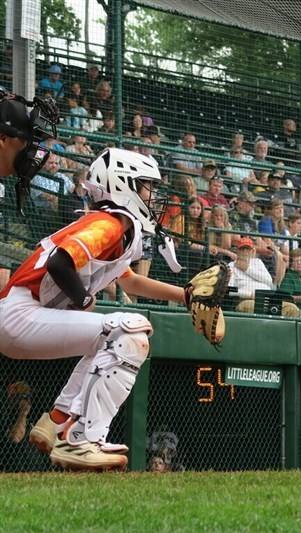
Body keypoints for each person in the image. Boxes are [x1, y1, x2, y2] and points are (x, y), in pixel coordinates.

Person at [0, 148, 193, 471]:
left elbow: (130, 282)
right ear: (124, 184)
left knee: (108, 339)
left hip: (23, 313)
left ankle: (56, 422)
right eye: (147, 186)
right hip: (19, 312)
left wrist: (186, 297)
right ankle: (81, 440)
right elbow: (61, 262)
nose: (152, 194)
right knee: (130, 330)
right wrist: (83, 300)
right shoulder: (109, 224)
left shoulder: (115, 226)